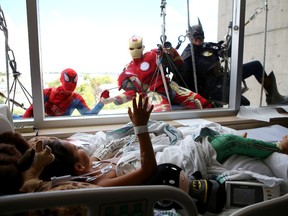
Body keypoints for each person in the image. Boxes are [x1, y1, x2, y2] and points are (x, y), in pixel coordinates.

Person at [173, 18, 288, 106]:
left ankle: (274, 98)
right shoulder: (188, 57)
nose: (199, 42)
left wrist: (233, 37)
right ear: (190, 38)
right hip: (211, 89)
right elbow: (181, 81)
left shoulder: (208, 46)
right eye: (196, 40)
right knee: (244, 102)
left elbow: (227, 52)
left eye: (201, 39)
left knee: (256, 66)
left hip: (223, 78)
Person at [102, 35, 213, 112]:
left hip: (170, 87)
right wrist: (111, 99)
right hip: (152, 94)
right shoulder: (128, 70)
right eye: (132, 48)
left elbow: (178, 62)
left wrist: (170, 51)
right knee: (162, 112)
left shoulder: (154, 54)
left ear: (143, 47)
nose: (135, 50)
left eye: (138, 47)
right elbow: (132, 93)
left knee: (200, 102)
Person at [23, 68, 109, 118]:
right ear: (61, 79)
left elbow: (89, 115)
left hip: (62, 127)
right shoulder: (47, 93)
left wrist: (101, 102)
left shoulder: (76, 99)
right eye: (67, 79)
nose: (71, 84)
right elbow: (31, 110)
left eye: (74, 81)